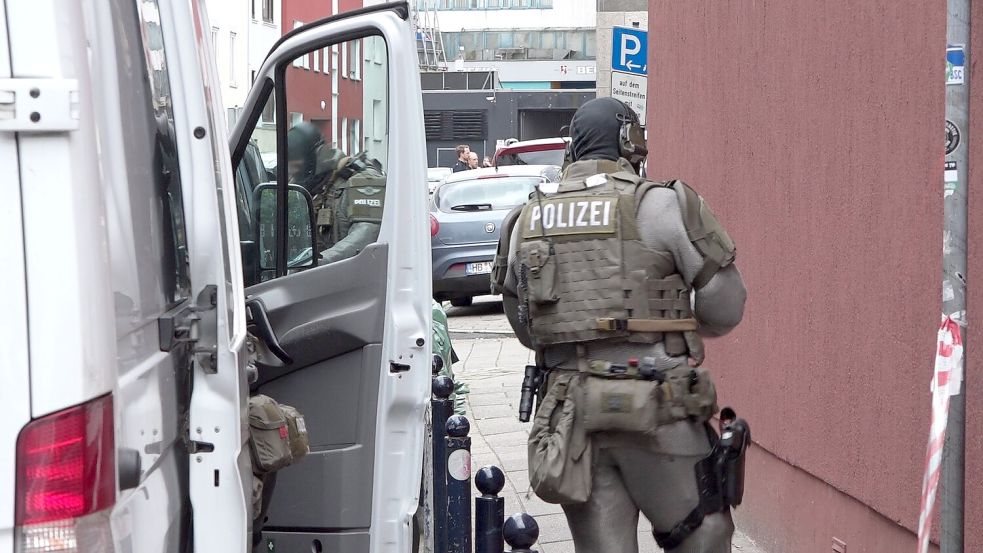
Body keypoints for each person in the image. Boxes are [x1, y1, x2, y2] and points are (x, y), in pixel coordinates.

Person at [493, 97, 748, 553]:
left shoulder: (526, 220)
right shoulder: (664, 205)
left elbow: (525, 324)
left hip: (571, 416)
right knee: (705, 535)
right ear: (630, 141)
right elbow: (725, 307)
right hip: (658, 407)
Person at [285, 122, 386, 265]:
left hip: (353, 277)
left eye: (297, 166)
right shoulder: (314, 185)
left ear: (315, 157)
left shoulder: (362, 181)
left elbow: (366, 235)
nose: (293, 172)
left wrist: (315, 262)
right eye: (290, 167)